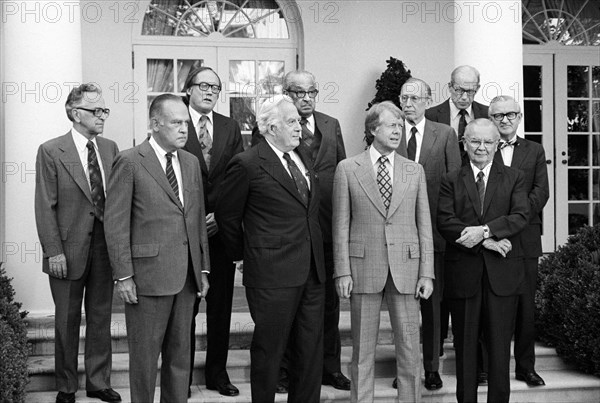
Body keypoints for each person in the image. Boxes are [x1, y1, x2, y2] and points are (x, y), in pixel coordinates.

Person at [216, 94, 326, 403]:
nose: (299, 128)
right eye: (291, 122)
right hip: (271, 274)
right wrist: (246, 255)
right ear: (270, 127)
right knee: (270, 351)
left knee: (310, 351)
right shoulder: (248, 164)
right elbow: (228, 217)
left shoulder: (303, 155)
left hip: (312, 271)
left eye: (299, 122)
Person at [104, 94, 210, 403]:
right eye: (176, 122)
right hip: (147, 279)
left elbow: (197, 219)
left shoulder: (190, 162)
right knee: (145, 361)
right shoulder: (129, 161)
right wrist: (123, 276)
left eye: (185, 123)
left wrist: (202, 267)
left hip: (187, 280)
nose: (183, 129)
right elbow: (115, 223)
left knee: (180, 359)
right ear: (154, 124)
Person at [253, 70, 350, 392]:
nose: (307, 98)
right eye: (299, 92)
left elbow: (342, 171)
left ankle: (330, 367)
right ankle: (283, 371)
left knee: (327, 305)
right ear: (287, 94)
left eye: (312, 92)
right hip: (289, 238)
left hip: (326, 226)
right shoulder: (272, 130)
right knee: (286, 312)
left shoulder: (330, 125)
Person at [333, 101, 434, 403]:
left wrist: (427, 272)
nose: (398, 131)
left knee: (409, 351)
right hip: (363, 269)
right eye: (392, 125)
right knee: (362, 353)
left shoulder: (414, 171)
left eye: (400, 127)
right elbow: (340, 225)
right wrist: (342, 271)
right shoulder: (348, 169)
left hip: (407, 270)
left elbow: (424, 225)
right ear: (373, 128)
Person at [35, 83, 121, 403]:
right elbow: (45, 205)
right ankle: (67, 386)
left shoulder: (111, 148)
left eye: (104, 110)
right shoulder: (51, 150)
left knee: (100, 318)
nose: (102, 117)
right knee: (67, 321)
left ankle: (98, 382)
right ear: (75, 113)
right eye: (96, 111)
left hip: (104, 248)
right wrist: (53, 250)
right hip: (67, 251)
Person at [437, 118, 529, 403]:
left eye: (488, 142)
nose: (481, 147)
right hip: (464, 277)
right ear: (464, 143)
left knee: (500, 352)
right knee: (465, 351)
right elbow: (445, 222)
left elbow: (520, 216)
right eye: (475, 141)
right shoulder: (451, 179)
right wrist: (487, 241)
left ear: (497, 145)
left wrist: (485, 230)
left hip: (502, 277)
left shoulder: (514, 177)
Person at [395, 78, 461, 391]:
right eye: (404, 98)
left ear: (427, 100)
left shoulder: (445, 134)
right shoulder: (388, 132)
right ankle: (405, 368)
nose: (408, 104)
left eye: (415, 98)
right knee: (402, 308)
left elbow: (456, 186)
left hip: (435, 234)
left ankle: (432, 368)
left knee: (432, 307)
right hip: (397, 237)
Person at [182, 66, 244, 397]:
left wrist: (219, 216)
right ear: (188, 89)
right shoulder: (176, 122)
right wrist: (193, 220)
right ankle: (182, 375)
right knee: (186, 309)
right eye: (204, 85)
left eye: (216, 88)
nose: (209, 92)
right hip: (184, 234)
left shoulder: (229, 126)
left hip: (220, 232)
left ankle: (216, 375)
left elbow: (237, 175)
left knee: (220, 309)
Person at [489, 95, 549, 387]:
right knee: (493, 306)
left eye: (510, 114)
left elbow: (541, 193)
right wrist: (500, 225)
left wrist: (517, 216)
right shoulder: (483, 148)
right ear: (491, 120)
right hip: (493, 238)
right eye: (498, 115)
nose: (504, 120)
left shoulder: (535, 150)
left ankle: (526, 367)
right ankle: (489, 367)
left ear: (519, 117)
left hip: (525, 239)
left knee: (526, 307)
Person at [425, 65, 489, 161]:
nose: (464, 97)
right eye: (459, 90)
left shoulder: (487, 115)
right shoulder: (430, 116)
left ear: (478, 88)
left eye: (470, 91)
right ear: (450, 87)